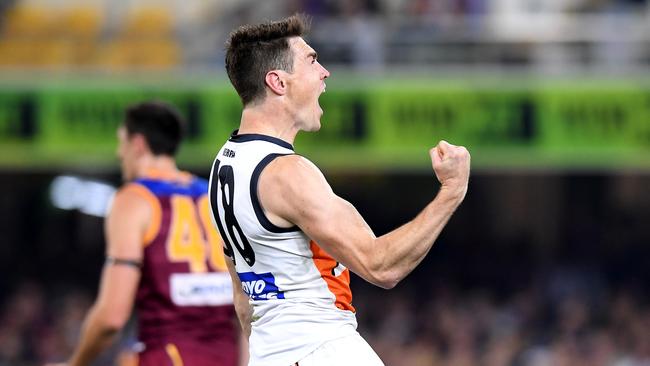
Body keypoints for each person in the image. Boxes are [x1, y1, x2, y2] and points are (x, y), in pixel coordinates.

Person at [209, 14, 470, 366]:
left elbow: (243, 296)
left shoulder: (224, 165)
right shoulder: (288, 174)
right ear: (278, 82)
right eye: (312, 61)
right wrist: (452, 191)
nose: (324, 72)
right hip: (323, 347)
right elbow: (381, 267)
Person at [48, 101, 244, 366]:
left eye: (122, 143)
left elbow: (111, 318)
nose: (120, 153)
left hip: (168, 355)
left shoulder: (134, 200)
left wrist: (75, 363)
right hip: (228, 356)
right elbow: (246, 300)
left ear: (138, 144)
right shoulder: (213, 195)